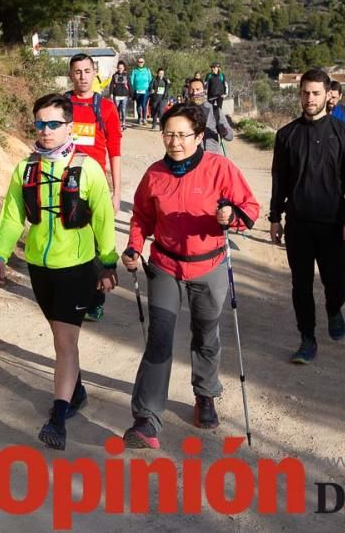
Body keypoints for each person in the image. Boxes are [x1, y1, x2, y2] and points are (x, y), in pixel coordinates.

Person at [121, 104, 259, 449]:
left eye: (182, 135)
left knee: (206, 334)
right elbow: (141, 216)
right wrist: (135, 246)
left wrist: (231, 217)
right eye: (168, 134)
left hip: (209, 265)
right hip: (165, 265)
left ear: (199, 137)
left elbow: (250, 210)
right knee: (160, 338)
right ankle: (146, 420)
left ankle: (205, 394)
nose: (175, 142)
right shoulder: (154, 174)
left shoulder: (220, 168)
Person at [0, 93, 118, 450]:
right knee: (61, 338)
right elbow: (13, 216)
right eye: (40, 124)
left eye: (53, 124)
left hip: (77, 268)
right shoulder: (25, 168)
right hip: (39, 267)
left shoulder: (88, 168)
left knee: (64, 341)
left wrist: (108, 263)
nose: (45, 131)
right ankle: (75, 391)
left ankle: (58, 417)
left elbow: (105, 219)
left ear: (69, 126)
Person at [269, 68, 345, 365]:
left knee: (335, 283)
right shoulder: (287, 135)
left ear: (328, 95)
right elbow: (279, 179)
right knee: (301, 285)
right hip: (298, 224)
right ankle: (307, 339)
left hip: (332, 223)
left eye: (315, 93)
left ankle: (334, 308)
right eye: (305, 93)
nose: (309, 98)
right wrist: (275, 217)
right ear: (299, 94)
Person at [65, 53, 124, 322]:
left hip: (96, 185)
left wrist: (117, 192)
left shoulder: (107, 107)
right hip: (67, 185)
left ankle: (95, 300)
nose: (82, 76)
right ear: (70, 75)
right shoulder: (61, 105)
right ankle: (72, 294)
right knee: (71, 240)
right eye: (77, 72)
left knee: (100, 243)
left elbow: (115, 152)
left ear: (94, 72)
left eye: (87, 71)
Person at [187, 78, 234, 153]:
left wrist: (224, 131)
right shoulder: (184, 112)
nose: (194, 93)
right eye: (191, 90)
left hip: (212, 158)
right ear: (188, 91)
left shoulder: (215, 111)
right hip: (191, 159)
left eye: (197, 89)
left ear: (204, 90)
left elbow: (230, 136)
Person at [130, 56, 153, 126]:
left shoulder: (147, 70)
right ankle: (139, 117)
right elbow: (131, 80)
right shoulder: (134, 70)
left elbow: (150, 79)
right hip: (137, 90)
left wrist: (150, 88)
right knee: (138, 105)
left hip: (145, 90)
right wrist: (133, 89)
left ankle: (144, 119)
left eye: (141, 62)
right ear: (137, 62)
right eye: (139, 62)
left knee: (144, 105)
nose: (140, 63)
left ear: (144, 62)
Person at [109, 61, 131, 130]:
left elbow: (130, 85)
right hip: (117, 95)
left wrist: (131, 94)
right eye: (119, 68)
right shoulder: (114, 75)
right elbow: (112, 85)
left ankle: (124, 124)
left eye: (121, 67)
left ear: (124, 68)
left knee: (123, 110)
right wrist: (111, 93)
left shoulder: (127, 75)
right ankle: (118, 124)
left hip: (125, 95)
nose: (120, 69)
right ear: (117, 68)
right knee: (117, 110)